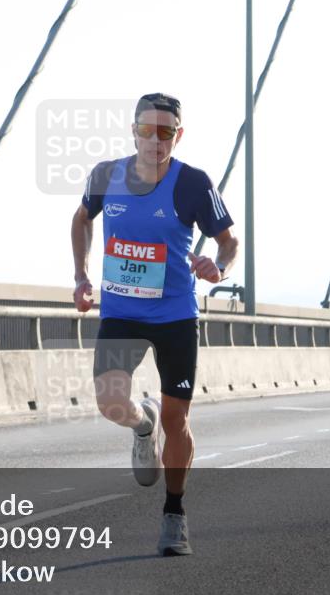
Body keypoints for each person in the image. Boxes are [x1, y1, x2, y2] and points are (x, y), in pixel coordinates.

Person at [70, 93, 238, 556]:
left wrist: (218, 268)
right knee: (110, 403)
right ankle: (142, 429)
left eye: (166, 132)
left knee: (177, 418)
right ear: (134, 131)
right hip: (122, 311)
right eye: (147, 130)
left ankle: (174, 513)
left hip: (175, 315)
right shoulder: (107, 176)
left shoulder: (193, 184)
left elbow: (229, 241)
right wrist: (82, 277)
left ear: (177, 136)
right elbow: (83, 219)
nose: (155, 140)